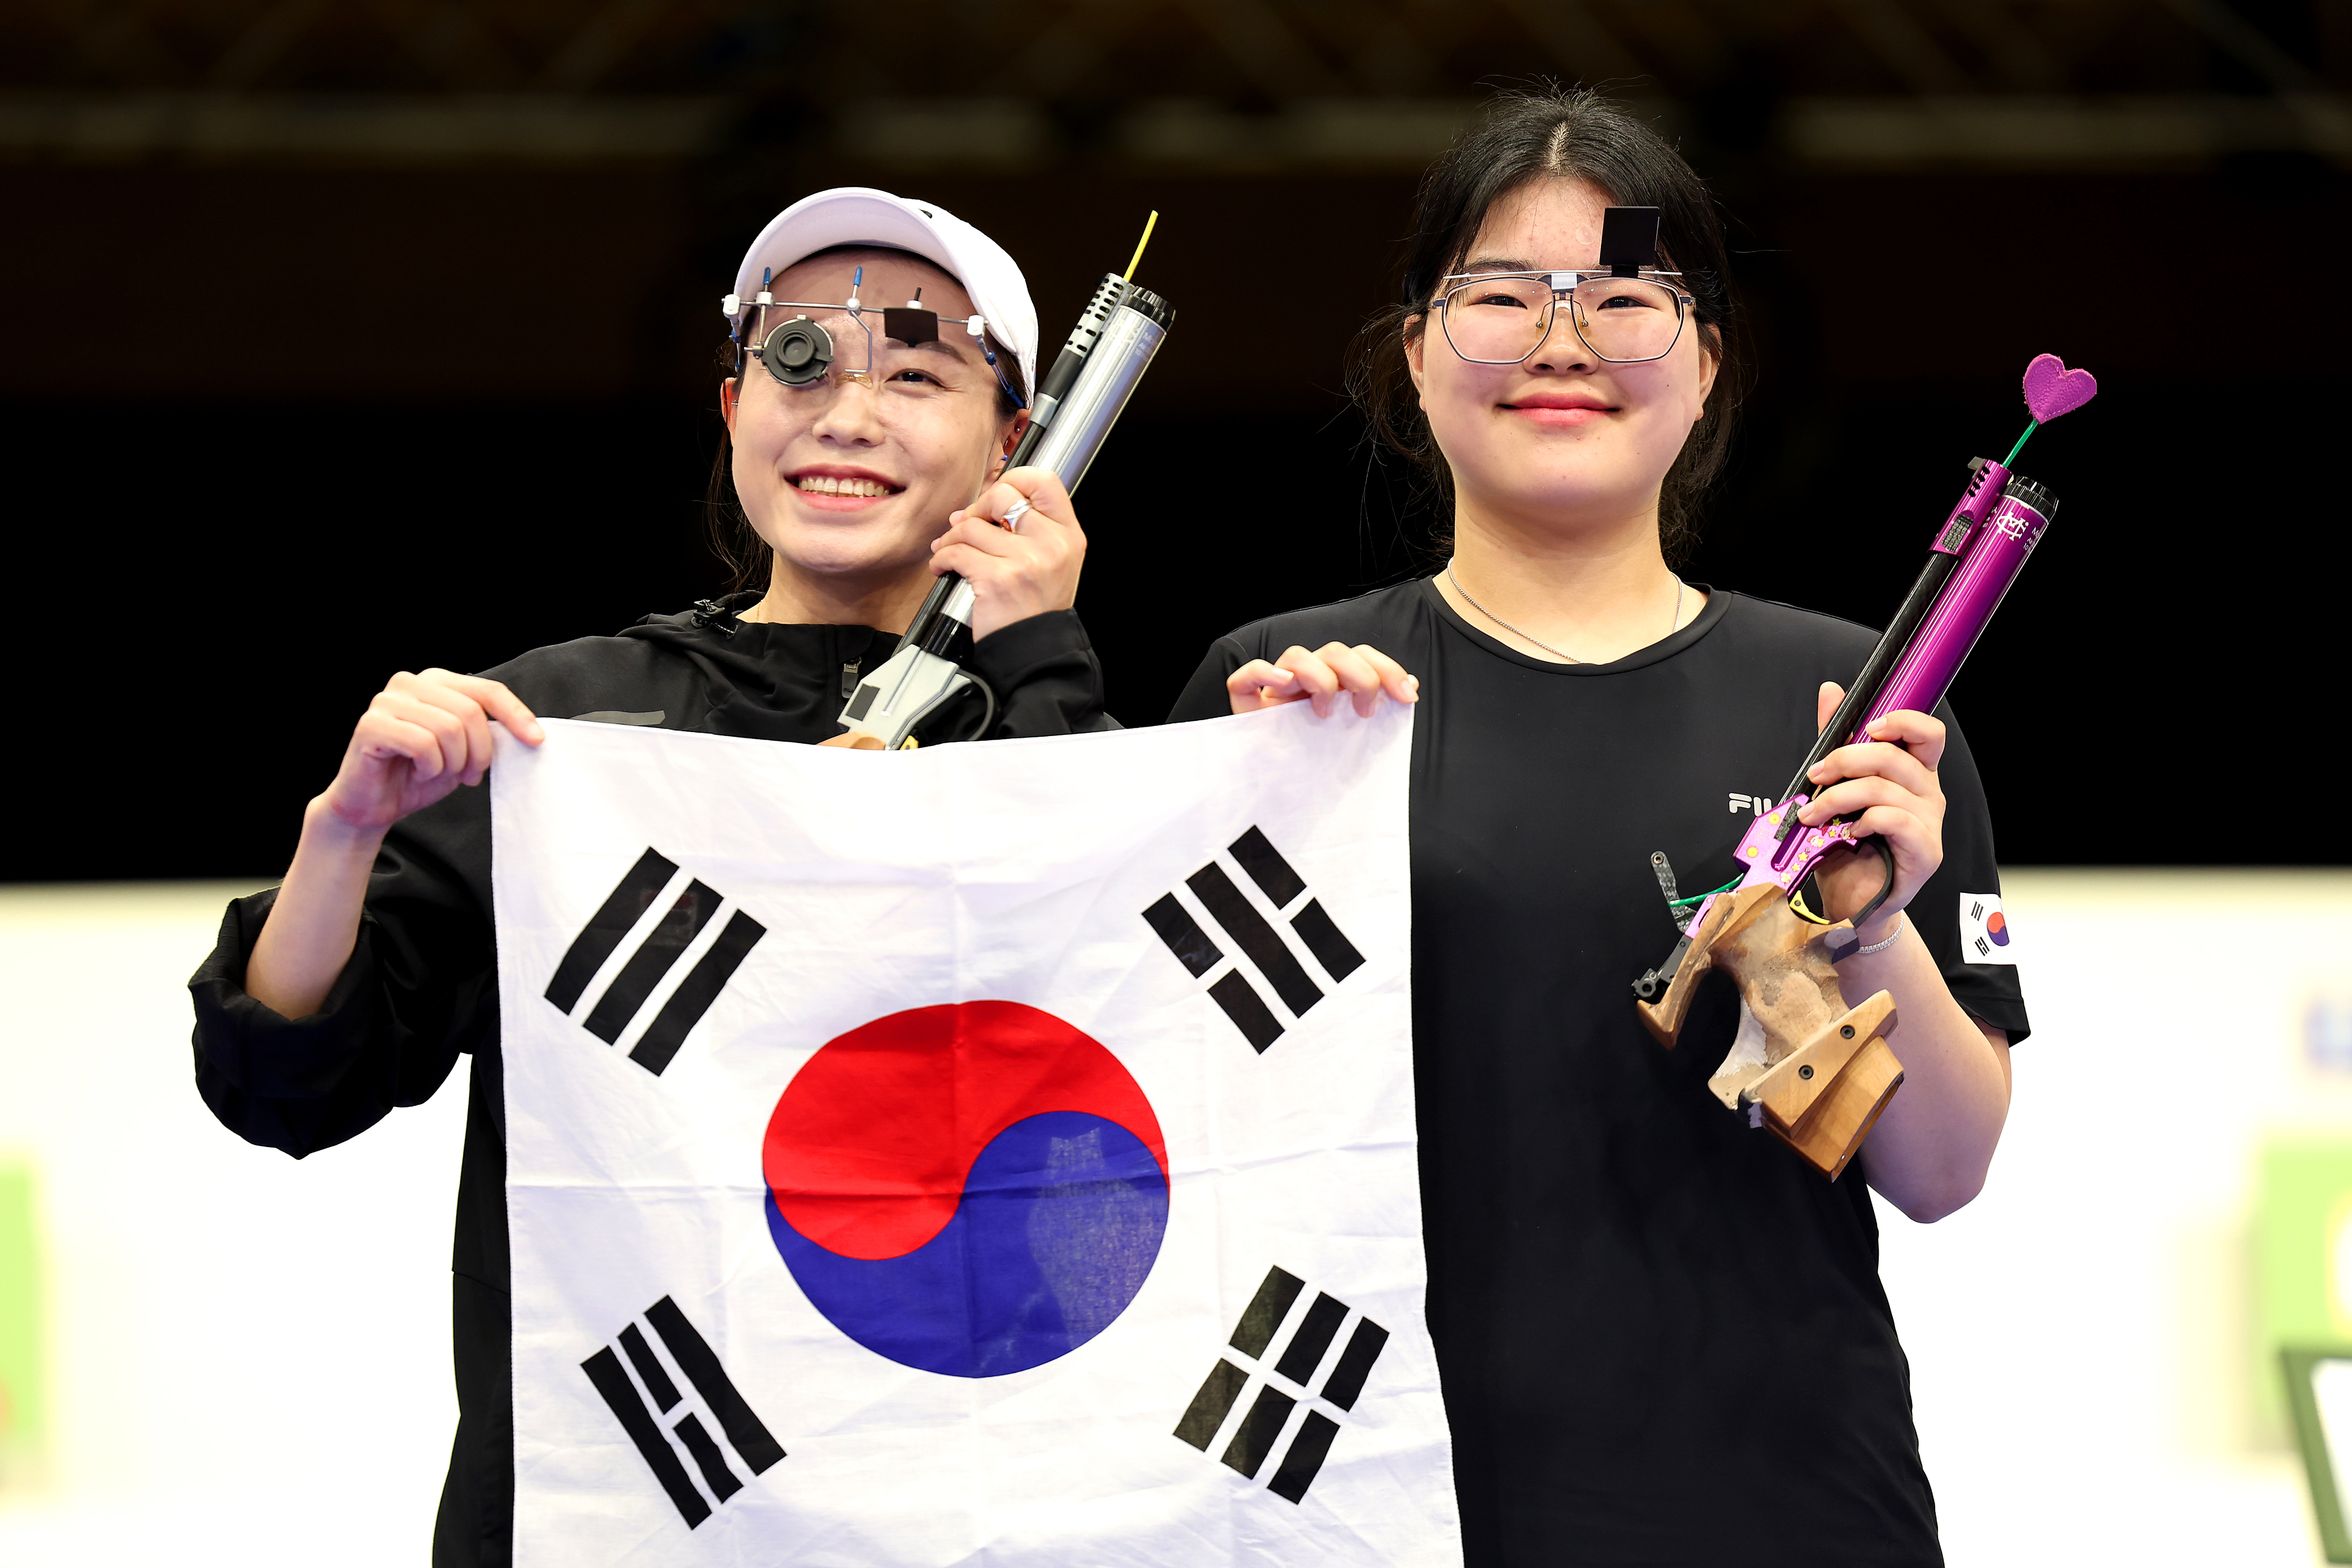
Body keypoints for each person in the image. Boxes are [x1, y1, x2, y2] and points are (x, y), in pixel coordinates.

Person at [188, 187, 1111, 1564]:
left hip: (966, 1489)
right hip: (615, 1494)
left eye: (915, 372)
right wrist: (343, 829)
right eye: (798, 360)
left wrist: (1050, 661)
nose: (846, 413)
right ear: (733, 404)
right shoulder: (564, 728)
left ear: (1015, 441)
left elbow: (1143, 1072)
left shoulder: (1078, 741)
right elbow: (287, 1084)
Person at [1169, 90, 2024, 1565]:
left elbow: (1941, 1169)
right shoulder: (1287, 704)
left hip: (1778, 1505)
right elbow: (1126, 1132)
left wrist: (1875, 918)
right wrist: (1248, 810)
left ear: (1704, 365)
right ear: (1414, 354)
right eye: (1501, 294)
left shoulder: (1847, 711)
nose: (1561, 341)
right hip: (1362, 1501)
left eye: (1624, 296)